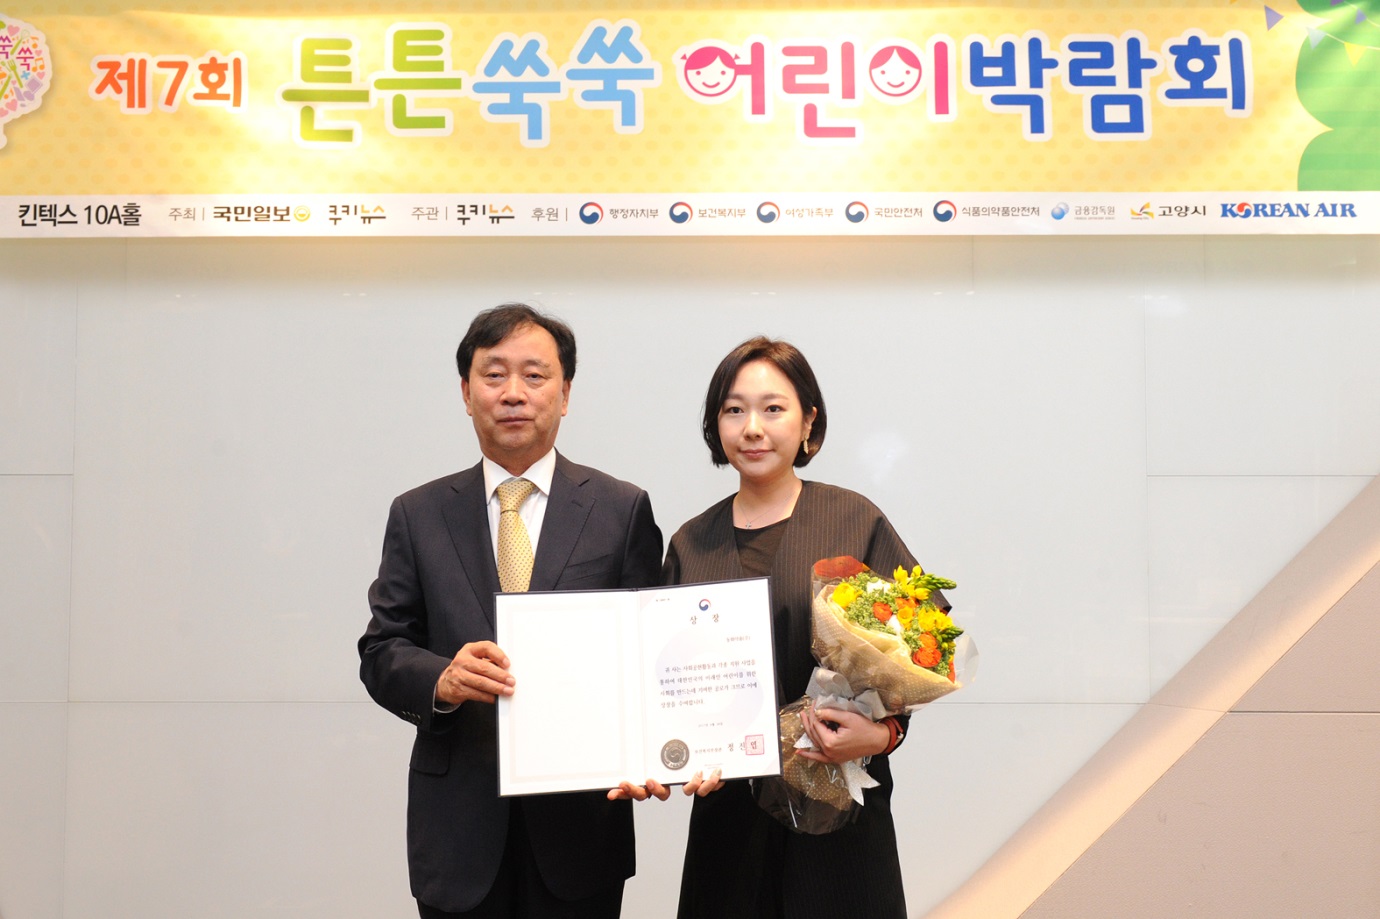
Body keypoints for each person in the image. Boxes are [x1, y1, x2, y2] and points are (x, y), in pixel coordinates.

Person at [359, 303, 663, 919]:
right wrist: (441, 680)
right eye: (494, 375)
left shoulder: (620, 508)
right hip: (458, 828)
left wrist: (651, 750)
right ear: (466, 393)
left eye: (535, 375)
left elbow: (647, 655)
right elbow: (382, 648)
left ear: (565, 393)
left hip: (581, 825)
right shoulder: (418, 514)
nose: (514, 393)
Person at [664, 336, 937, 919]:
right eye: (733, 409)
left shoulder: (853, 520)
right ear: (716, 425)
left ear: (808, 421)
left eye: (773, 408)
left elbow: (922, 650)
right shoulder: (690, 544)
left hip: (839, 813)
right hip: (728, 824)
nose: (752, 428)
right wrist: (672, 751)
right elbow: (666, 680)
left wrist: (882, 736)